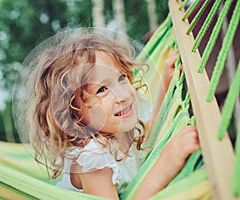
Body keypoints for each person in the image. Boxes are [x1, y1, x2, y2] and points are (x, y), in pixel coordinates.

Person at [25, 31, 199, 199]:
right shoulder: (94, 160)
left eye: (122, 78)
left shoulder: (118, 125)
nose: (123, 95)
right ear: (74, 114)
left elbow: (150, 131)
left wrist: (165, 86)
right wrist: (164, 166)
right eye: (102, 90)